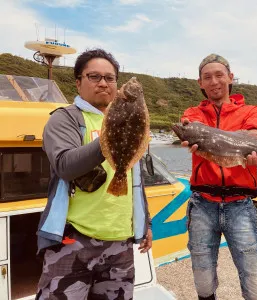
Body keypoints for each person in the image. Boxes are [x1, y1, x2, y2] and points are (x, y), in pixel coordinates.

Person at [36, 48, 152, 299]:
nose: (103, 83)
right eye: (94, 76)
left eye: (109, 78)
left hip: (120, 242)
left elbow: (135, 177)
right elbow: (65, 165)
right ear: (78, 82)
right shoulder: (65, 119)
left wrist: (146, 223)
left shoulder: (129, 122)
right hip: (73, 240)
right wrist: (112, 136)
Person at [181, 54, 257, 300]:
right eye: (207, 77)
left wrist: (254, 145)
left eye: (219, 75)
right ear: (200, 82)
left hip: (241, 205)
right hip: (202, 204)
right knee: (202, 279)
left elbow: (254, 133)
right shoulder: (193, 113)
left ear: (230, 78)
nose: (214, 81)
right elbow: (192, 128)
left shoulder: (252, 111)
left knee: (255, 281)